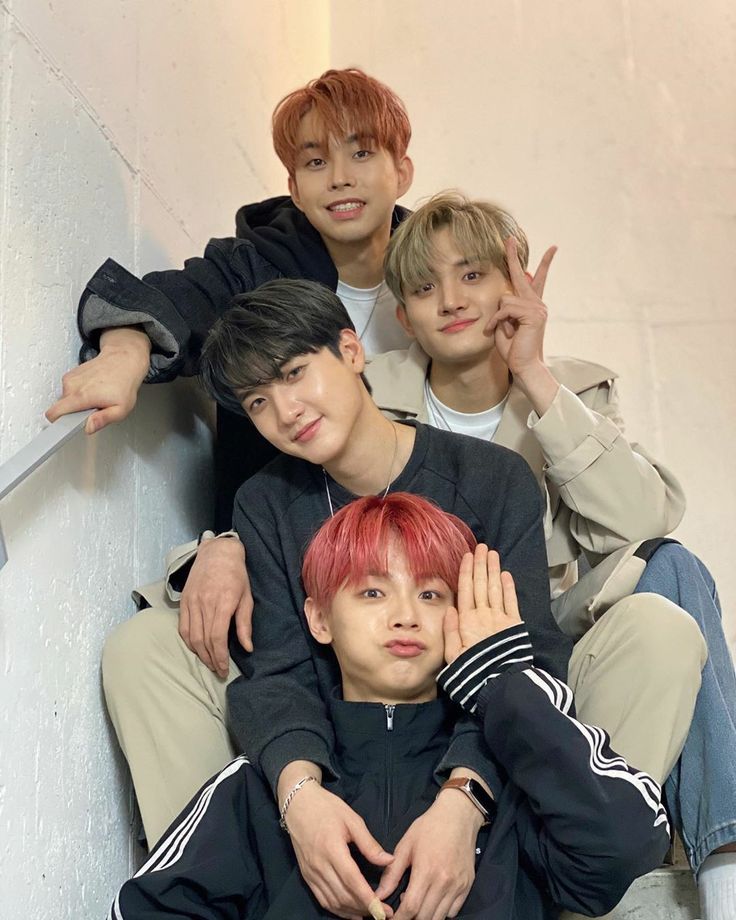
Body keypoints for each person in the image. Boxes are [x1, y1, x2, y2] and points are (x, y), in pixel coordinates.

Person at [367, 190, 736, 920]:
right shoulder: (373, 397)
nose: (451, 299)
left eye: (472, 274)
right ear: (403, 318)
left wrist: (536, 377)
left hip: (547, 649)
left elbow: (639, 519)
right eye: (424, 286)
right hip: (424, 650)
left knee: (673, 568)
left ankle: (718, 862)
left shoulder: (571, 387)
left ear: (516, 286)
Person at [109, 493, 671, 920]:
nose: (406, 615)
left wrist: (501, 685)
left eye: (430, 594)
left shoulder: (519, 782)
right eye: (373, 592)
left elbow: (625, 850)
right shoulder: (257, 789)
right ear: (319, 619)